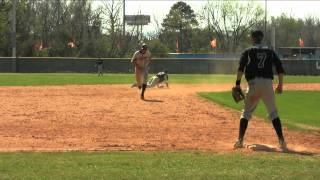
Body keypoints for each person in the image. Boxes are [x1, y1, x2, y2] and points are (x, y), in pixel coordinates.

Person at [233, 30, 287, 151]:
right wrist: (280, 84)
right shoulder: (270, 51)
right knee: (273, 114)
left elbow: (240, 68)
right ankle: (282, 142)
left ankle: (240, 141)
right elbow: (280, 68)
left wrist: (237, 84)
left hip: (253, 84)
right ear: (261, 38)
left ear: (252, 38)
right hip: (267, 84)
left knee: (246, 113)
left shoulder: (248, 51)